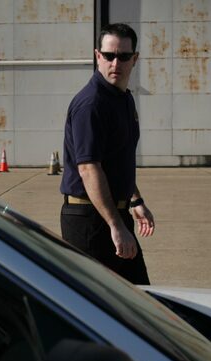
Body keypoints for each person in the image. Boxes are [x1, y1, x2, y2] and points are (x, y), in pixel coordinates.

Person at [59, 22, 155, 285]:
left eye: (124, 56)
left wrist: (135, 201)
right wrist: (116, 226)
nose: (116, 63)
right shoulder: (92, 104)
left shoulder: (123, 99)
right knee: (97, 307)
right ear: (98, 56)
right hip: (90, 221)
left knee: (139, 297)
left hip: (113, 214)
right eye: (109, 55)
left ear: (135, 59)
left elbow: (116, 161)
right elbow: (89, 169)